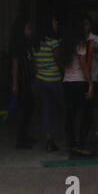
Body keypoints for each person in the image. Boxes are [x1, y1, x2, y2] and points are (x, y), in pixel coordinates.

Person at [58, 13, 98, 155]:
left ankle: (72, 144)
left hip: (67, 82)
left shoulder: (63, 44)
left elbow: (61, 63)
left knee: (70, 115)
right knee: (86, 114)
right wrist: (90, 84)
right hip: (80, 82)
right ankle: (81, 144)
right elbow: (83, 65)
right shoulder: (80, 43)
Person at [32, 16, 64, 153]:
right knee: (63, 107)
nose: (56, 23)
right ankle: (63, 136)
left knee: (46, 110)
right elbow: (58, 60)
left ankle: (48, 138)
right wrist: (63, 71)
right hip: (54, 79)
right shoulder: (53, 43)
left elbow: (34, 63)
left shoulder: (35, 45)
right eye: (54, 21)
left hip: (40, 79)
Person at [8, 16, 36, 149]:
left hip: (28, 80)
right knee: (25, 110)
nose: (30, 31)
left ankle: (25, 135)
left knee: (30, 108)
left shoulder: (27, 43)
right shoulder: (16, 45)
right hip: (21, 81)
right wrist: (15, 84)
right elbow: (15, 66)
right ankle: (21, 138)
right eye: (28, 28)